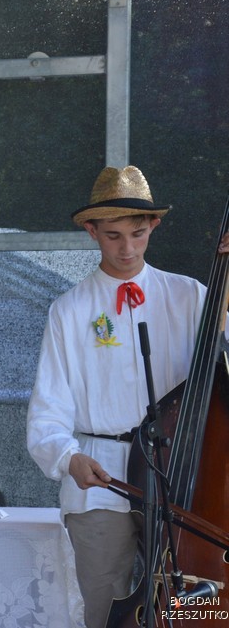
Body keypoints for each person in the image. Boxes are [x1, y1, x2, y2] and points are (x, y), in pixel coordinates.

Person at [26, 165, 229, 628]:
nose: (127, 249)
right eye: (113, 236)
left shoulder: (192, 295)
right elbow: (47, 414)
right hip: (102, 480)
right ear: (91, 231)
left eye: (138, 234)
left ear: (153, 225)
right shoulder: (69, 310)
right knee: (106, 610)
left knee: (196, 604)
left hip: (183, 476)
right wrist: (68, 458)